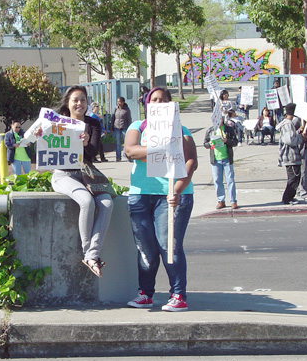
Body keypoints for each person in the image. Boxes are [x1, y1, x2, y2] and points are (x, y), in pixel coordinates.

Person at [124, 87, 198, 312]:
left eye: (163, 100)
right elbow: (130, 150)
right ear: (147, 104)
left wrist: (177, 188)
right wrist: (161, 147)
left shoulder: (182, 130)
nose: (158, 103)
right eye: (154, 100)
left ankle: (178, 294)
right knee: (145, 247)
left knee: (170, 246)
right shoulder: (138, 126)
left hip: (172, 196)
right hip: (140, 194)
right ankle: (145, 293)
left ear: (170, 105)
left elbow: (191, 161)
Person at [50, 86, 113, 277]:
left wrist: (84, 143)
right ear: (67, 102)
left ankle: (91, 254)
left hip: (87, 174)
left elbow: (93, 153)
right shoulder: (57, 121)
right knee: (86, 201)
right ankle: (90, 254)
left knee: (107, 203)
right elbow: (45, 145)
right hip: (64, 175)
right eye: (75, 100)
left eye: (83, 100)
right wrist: (39, 136)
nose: (80, 104)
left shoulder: (93, 123)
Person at [204, 115, 239, 209]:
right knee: (217, 180)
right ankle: (221, 200)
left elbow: (235, 142)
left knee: (230, 179)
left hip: (227, 158)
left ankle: (233, 201)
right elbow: (205, 143)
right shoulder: (211, 130)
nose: (218, 121)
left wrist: (226, 140)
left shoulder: (228, 129)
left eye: (220, 119)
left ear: (223, 119)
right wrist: (209, 144)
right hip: (215, 159)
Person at [277, 103, 305, 205]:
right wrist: (301, 138)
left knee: (295, 177)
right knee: (294, 177)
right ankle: (287, 198)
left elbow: (290, 136)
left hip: (290, 155)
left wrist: (298, 132)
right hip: (290, 155)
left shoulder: (287, 124)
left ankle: (290, 197)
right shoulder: (288, 124)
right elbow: (290, 140)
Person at [110, 96, 132, 162]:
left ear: (123, 102)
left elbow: (129, 119)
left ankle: (128, 156)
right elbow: (113, 118)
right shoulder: (116, 108)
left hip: (124, 127)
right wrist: (111, 127)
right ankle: (118, 157)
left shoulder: (126, 109)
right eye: (118, 101)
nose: (118, 103)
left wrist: (129, 128)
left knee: (126, 143)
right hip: (117, 127)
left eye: (120, 101)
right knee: (118, 143)